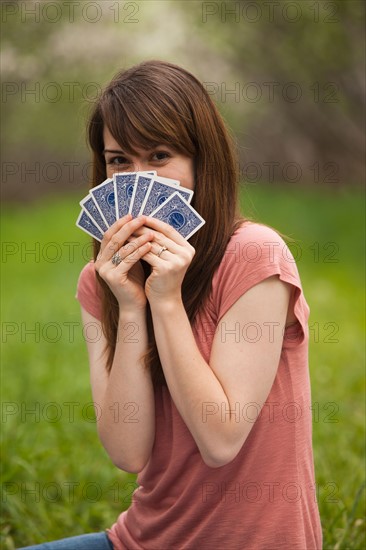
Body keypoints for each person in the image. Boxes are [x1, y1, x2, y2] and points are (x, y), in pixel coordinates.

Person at [20, 60, 322, 549]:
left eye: (159, 156)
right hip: (140, 540)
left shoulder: (253, 255)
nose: (139, 182)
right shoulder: (101, 282)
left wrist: (166, 301)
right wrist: (132, 307)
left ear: (202, 160)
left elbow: (220, 441)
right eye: (119, 161)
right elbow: (128, 451)